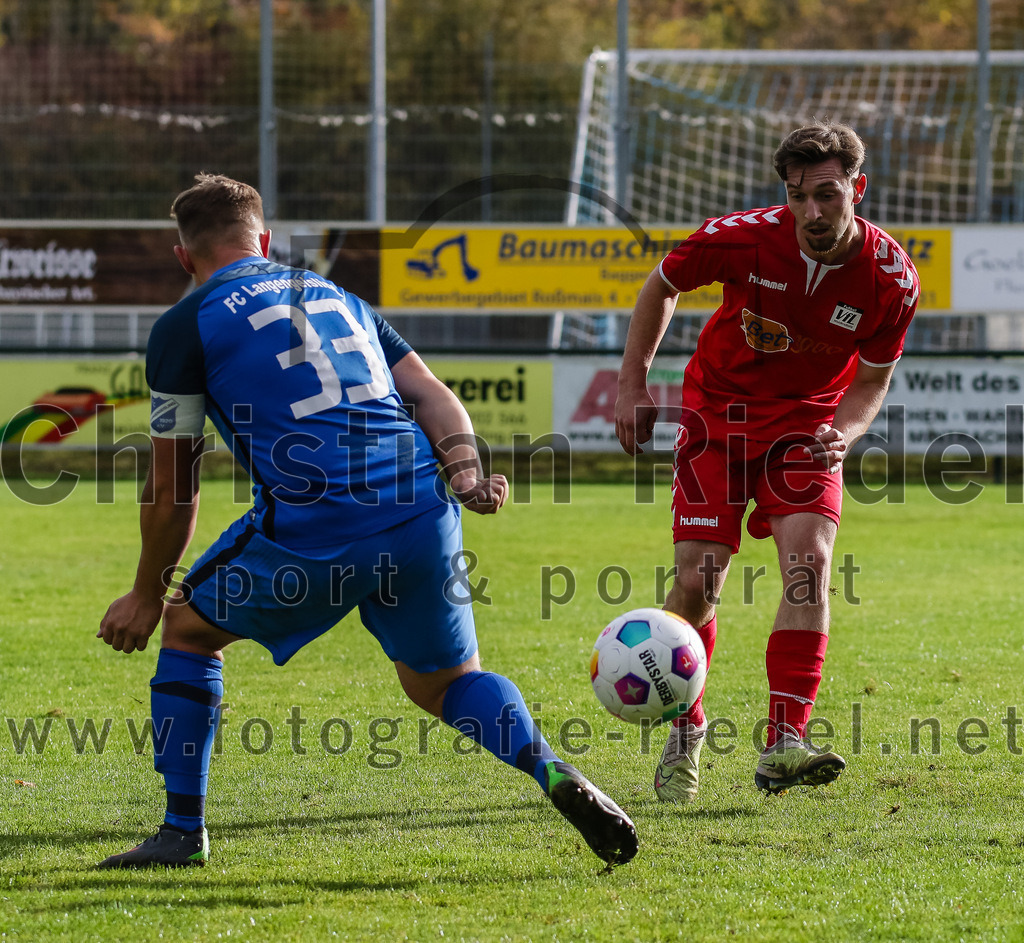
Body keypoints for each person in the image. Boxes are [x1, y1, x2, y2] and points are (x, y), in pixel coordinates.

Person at [96, 173, 637, 868]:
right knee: (443, 682)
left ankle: (180, 831)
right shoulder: (338, 296)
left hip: (321, 519)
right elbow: (432, 394)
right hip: (421, 506)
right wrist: (466, 473)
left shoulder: (186, 322)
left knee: (188, 628)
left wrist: (145, 593)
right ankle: (548, 765)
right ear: (264, 240)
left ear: (183, 259)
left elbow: (174, 483)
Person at [614, 120, 919, 802]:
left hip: (807, 426)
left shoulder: (891, 278)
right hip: (718, 417)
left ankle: (785, 739)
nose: (812, 210)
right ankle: (686, 726)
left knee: (809, 567)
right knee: (697, 582)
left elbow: (871, 381)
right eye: (798, 195)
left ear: (857, 190)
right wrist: (634, 381)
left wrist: (845, 431)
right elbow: (661, 283)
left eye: (828, 195)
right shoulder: (742, 235)